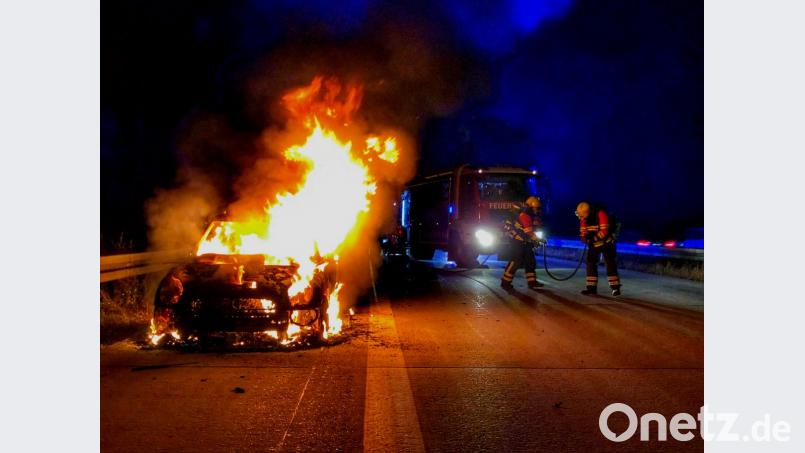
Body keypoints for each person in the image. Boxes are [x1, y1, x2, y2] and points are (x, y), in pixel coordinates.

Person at [576, 202, 621, 296]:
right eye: (580, 216)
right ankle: (591, 288)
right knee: (590, 263)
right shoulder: (584, 218)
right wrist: (584, 238)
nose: (581, 218)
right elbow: (583, 231)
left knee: (610, 263)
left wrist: (592, 239)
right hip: (594, 244)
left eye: (582, 216)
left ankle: (615, 288)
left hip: (606, 243)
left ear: (588, 212)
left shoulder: (600, 214)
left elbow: (604, 231)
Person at [501, 196, 544, 290]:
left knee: (530, 261)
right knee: (515, 261)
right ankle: (505, 282)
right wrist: (539, 240)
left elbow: (533, 229)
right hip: (517, 242)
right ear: (529, 207)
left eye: (538, 208)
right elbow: (528, 231)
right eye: (535, 208)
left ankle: (532, 282)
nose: (537, 210)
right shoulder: (525, 216)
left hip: (525, 242)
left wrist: (535, 239)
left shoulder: (530, 216)